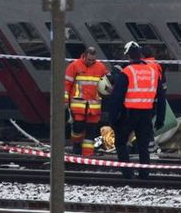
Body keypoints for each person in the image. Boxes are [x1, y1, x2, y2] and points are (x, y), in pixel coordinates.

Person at [107, 41, 166, 180]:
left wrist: (112, 118)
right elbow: (161, 97)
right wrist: (160, 118)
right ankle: (144, 175)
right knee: (143, 146)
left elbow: (117, 97)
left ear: (128, 56)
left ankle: (128, 175)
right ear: (140, 54)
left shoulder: (127, 72)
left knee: (121, 143)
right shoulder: (153, 72)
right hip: (147, 114)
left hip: (129, 114)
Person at [64, 46, 108, 156]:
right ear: (84, 56)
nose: (91, 62)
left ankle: (87, 156)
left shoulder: (100, 67)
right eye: (89, 60)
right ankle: (76, 145)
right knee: (77, 128)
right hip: (79, 105)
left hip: (94, 107)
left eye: (93, 60)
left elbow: (106, 83)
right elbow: (66, 85)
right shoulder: (74, 66)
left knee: (90, 133)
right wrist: (65, 101)